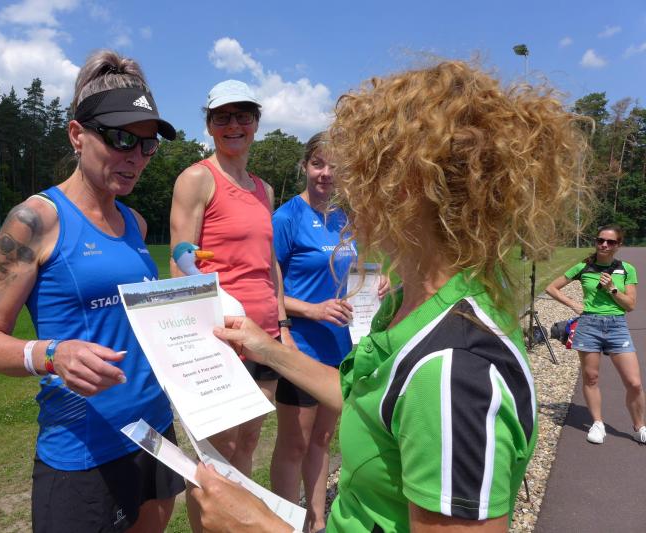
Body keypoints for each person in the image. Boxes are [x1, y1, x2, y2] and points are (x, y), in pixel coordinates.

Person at [189, 60, 592, 532]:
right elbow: (364, 398)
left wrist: (259, 526)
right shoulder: (417, 305)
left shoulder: (452, 372)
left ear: (404, 192)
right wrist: (269, 348)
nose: (347, 189)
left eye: (362, 172)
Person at [0, 50, 184, 533]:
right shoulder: (35, 220)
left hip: (154, 429)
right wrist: (53, 354)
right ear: (76, 134)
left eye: (148, 145)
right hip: (85, 449)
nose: (135, 157)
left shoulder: (134, 221)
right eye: (121, 138)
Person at [169, 79, 293, 476]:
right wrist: (197, 340)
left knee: (249, 441)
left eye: (242, 116)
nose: (233, 125)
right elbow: (179, 265)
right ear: (209, 125)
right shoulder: (197, 179)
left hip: (264, 335)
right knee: (218, 453)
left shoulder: (264, 190)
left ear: (256, 122)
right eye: (222, 117)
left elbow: (268, 263)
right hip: (219, 338)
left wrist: (282, 326)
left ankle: (241, 510)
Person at [272, 132, 383, 532]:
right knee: (294, 444)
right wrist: (312, 310)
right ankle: (286, 523)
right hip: (302, 347)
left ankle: (316, 521)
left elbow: (355, 274)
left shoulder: (343, 219)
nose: (326, 173)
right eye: (318, 164)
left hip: (340, 346)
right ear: (305, 166)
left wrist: (377, 281)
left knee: (321, 439)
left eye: (335, 166)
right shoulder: (285, 218)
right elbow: (268, 289)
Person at [545, 224, 644, 444]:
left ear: (618, 245)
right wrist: (574, 304)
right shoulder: (584, 267)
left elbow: (630, 305)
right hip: (589, 325)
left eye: (610, 242)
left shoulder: (626, 269)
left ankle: (640, 426)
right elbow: (551, 288)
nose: (604, 245)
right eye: (600, 240)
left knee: (634, 382)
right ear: (596, 242)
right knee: (591, 377)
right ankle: (598, 423)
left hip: (617, 326)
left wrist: (612, 289)